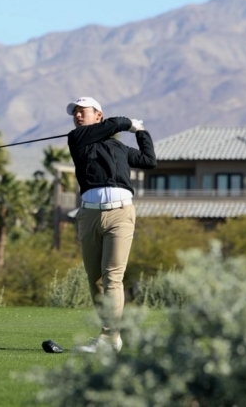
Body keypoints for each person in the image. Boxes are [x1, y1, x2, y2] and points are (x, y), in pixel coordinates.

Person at [66, 96, 156, 353]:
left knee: (112, 278)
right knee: (94, 279)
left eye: (83, 111)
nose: (78, 116)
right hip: (89, 215)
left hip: (120, 215)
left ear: (98, 115)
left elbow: (149, 160)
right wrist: (128, 123)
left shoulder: (118, 148)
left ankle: (109, 338)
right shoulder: (76, 139)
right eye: (75, 113)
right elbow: (117, 123)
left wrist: (141, 132)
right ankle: (110, 336)